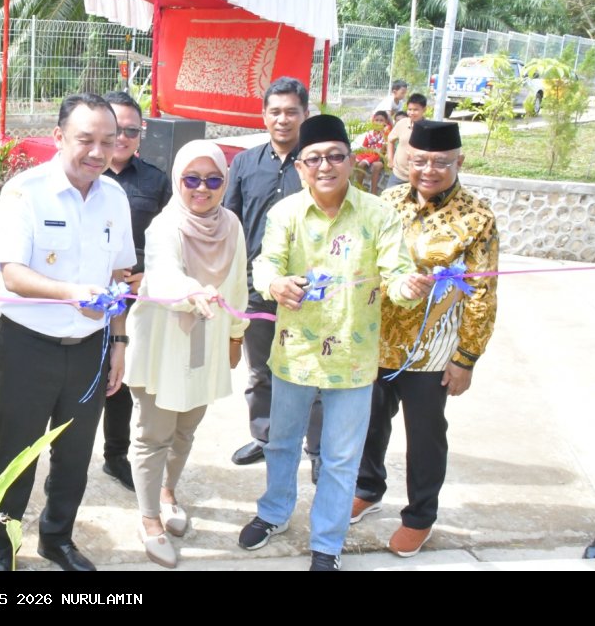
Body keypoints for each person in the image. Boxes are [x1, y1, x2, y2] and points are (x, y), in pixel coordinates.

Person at [238, 114, 433, 571]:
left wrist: (410, 288)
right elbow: (265, 264)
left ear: (350, 161)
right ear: (302, 167)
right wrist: (276, 284)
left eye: (335, 156)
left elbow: (397, 274)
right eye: (314, 158)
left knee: (340, 458)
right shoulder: (284, 213)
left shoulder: (379, 213)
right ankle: (274, 513)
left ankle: (327, 543)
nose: (325, 166)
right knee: (282, 442)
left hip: (352, 357)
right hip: (295, 353)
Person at [0, 93, 134, 572]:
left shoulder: (115, 196)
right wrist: (71, 293)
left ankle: (56, 538)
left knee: (74, 454)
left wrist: (117, 341)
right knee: (16, 456)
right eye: (85, 140)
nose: (98, 152)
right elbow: (12, 274)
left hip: (90, 350)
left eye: (108, 142)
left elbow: (121, 277)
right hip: (29, 347)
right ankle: (3, 550)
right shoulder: (26, 191)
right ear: (58, 137)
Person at [351, 120, 499, 558]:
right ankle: (368, 487)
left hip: (431, 351)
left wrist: (466, 358)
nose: (428, 171)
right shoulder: (389, 200)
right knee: (370, 424)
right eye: (419, 161)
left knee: (426, 435)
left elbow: (482, 294)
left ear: (459, 162)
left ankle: (420, 516)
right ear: (406, 160)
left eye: (440, 163)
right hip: (376, 342)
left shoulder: (477, 216)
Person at [125, 140, 247, 569]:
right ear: (178, 181)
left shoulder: (231, 224)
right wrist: (192, 293)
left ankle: (167, 492)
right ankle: (148, 517)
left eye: (213, 179)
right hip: (163, 344)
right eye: (191, 179)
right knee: (153, 435)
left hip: (207, 345)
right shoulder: (165, 225)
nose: (202, 188)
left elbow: (237, 287)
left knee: (185, 432)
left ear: (224, 182)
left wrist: (235, 336)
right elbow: (160, 278)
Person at [223, 77, 322, 480]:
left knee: (314, 371)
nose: (283, 119)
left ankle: (318, 452)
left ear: (305, 114)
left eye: (291, 112)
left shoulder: (318, 162)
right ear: (264, 116)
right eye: (275, 111)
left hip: (309, 290)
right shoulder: (245, 163)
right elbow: (229, 221)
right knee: (261, 371)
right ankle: (265, 438)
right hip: (257, 288)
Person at [98, 90, 170, 492]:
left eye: (131, 130)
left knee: (121, 379)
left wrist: (151, 274)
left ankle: (116, 455)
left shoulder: (156, 181)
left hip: (136, 298)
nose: (122, 138)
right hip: (85, 298)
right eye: (115, 129)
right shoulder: (82, 176)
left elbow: (170, 239)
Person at [386, 93, 428, 188]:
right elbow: (390, 140)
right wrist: (390, 159)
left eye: (416, 110)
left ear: (424, 110)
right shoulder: (402, 123)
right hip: (398, 175)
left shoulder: (428, 128)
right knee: (387, 200)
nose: (412, 113)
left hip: (419, 176)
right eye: (410, 109)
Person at [355, 110, 391, 195]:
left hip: (377, 154)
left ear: (385, 122)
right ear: (373, 121)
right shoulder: (370, 133)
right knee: (354, 161)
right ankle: (355, 187)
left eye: (381, 120)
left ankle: (359, 190)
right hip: (367, 153)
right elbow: (365, 145)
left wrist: (384, 134)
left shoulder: (385, 133)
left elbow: (381, 150)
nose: (378, 122)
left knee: (361, 164)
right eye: (376, 120)